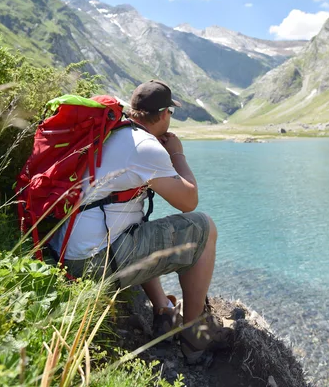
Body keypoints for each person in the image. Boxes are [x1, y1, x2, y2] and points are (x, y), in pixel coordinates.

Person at [49, 79, 230, 362]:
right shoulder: (146, 148)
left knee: (138, 225)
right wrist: (177, 153)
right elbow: (188, 201)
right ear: (164, 114)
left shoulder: (113, 131)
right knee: (204, 228)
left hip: (66, 250)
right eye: (171, 112)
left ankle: (163, 312)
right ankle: (195, 336)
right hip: (92, 263)